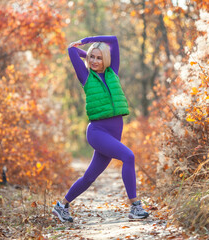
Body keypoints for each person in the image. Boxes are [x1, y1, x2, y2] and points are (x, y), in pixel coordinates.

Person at [52, 35, 149, 223]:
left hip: (113, 134)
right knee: (128, 156)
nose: (95, 61)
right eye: (92, 58)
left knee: (89, 177)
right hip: (97, 132)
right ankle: (135, 206)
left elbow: (113, 40)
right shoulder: (86, 76)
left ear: (106, 59)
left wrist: (91, 40)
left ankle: (61, 206)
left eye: (99, 58)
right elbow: (72, 50)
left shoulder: (113, 72)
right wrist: (85, 51)